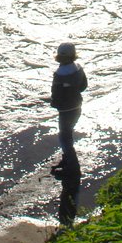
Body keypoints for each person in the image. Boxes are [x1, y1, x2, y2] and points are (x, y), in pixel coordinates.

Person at [50, 42, 87, 171]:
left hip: (65, 110)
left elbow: (56, 94)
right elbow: (83, 86)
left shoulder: (59, 73)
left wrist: (54, 103)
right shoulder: (78, 67)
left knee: (64, 136)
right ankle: (68, 160)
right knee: (68, 134)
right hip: (77, 106)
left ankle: (70, 164)